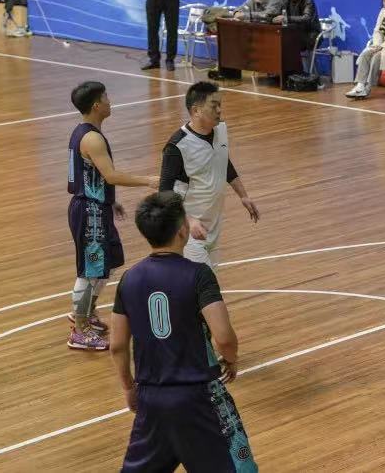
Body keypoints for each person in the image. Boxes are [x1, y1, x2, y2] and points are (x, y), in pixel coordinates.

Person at [111, 191, 258, 472]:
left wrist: (129, 387)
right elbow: (224, 337)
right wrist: (231, 359)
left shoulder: (128, 280)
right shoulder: (199, 275)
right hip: (198, 397)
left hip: (151, 398)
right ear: (182, 231)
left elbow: (117, 345)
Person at [66, 81, 156, 351]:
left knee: (109, 263)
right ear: (96, 105)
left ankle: (86, 312)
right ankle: (79, 329)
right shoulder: (91, 138)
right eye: (106, 97)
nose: (109, 101)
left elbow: (91, 175)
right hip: (89, 212)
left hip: (97, 207)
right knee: (90, 271)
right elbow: (111, 175)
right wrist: (148, 180)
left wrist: (111, 200)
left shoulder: (86, 132)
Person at [159, 81, 261, 267]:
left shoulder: (220, 129)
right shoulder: (177, 146)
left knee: (209, 280)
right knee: (201, 281)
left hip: (213, 226)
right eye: (214, 106)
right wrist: (189, 221)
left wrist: (243, 196)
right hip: (188, 230)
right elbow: (164, 193)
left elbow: (223, 162)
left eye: (220, 105)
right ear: (196, 110)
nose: (219, 110)